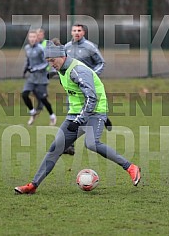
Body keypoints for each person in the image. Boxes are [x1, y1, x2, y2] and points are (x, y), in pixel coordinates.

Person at [14, 41, 141, 194]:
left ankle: (130, 167)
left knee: (92, 143)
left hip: (94, 110)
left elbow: (92, 98)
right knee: (55, 148)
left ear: (62, 56)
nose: (51, 64)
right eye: (49, 62)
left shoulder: (78, 71)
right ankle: (33, 185)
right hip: (76, 113)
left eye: (52, 61)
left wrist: (86, 119)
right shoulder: (62, 68)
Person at [62, 24, 112, 155]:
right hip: (74, 87)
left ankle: (103, 117)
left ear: (83, 32)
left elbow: (101, 62)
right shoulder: (67, 47)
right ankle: (70, 145)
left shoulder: (90, 47)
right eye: (74, 30)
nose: (76, 32)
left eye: (79, 30)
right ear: (71, 32)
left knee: (91, 105)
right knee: (72, 110)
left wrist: (92, 75)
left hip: (88, 86)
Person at [22, 30, 57, 126]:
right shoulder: (27, 48)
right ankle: (33, 112)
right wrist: (25, 69)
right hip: (32, 78)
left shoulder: (41, 49)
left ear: (37, 38)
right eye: (30, 37)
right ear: (28, 38)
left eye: (34, 37)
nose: (32, 39)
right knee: (24, 94)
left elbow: (46, 63)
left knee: (42, 99)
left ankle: (52, 116)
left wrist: (35, 68)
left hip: (41, 78)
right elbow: (28, 60)